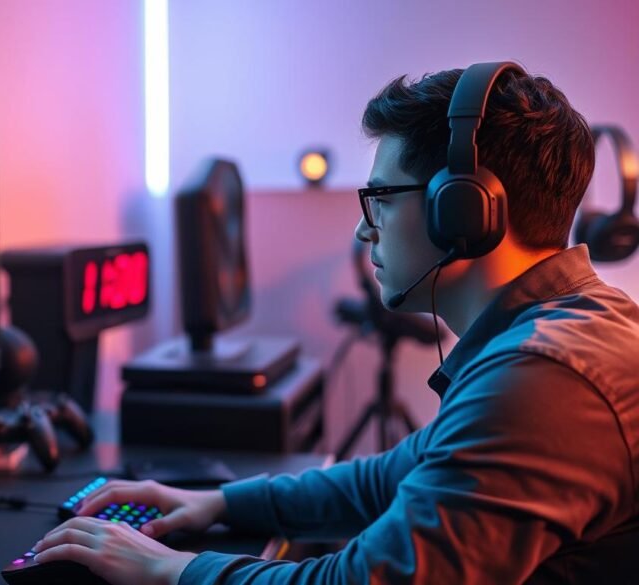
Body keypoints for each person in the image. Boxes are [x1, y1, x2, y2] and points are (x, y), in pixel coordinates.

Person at [32, 64, 639, 584]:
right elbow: (392, 478)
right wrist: (213, 502)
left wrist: (169, 569)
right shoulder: (551, 336)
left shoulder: (547, 379)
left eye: (380, 199)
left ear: (463, 211)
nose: (362, 228)